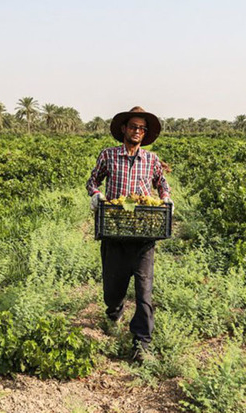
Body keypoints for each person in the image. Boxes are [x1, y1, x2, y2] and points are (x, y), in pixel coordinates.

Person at [86, 106, 172, 361]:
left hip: (144, 230)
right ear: (123, 129)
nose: (137, 131)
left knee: (144, 289)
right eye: (133, 127)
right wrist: (95, 195)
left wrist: (166, 198)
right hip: (115, 228)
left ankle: (142, 342)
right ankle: (115, 310)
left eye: (142, 128)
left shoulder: (152, 159)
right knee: (114, 287)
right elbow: (93, 181)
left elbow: (162, 183)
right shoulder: (108, 156)